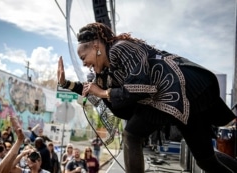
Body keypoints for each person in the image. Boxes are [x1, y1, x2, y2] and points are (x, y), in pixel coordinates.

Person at [57, 22, 237, 173]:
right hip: (175, 102)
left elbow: (140, 87)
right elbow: (92, 89)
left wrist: (104, 93)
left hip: (182, 90)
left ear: (96, 46)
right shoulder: (107, 71)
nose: (84, 63)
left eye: (83, 57)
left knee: (131, 135)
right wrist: (66, 83)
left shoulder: (121, 48)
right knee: (206, 161)